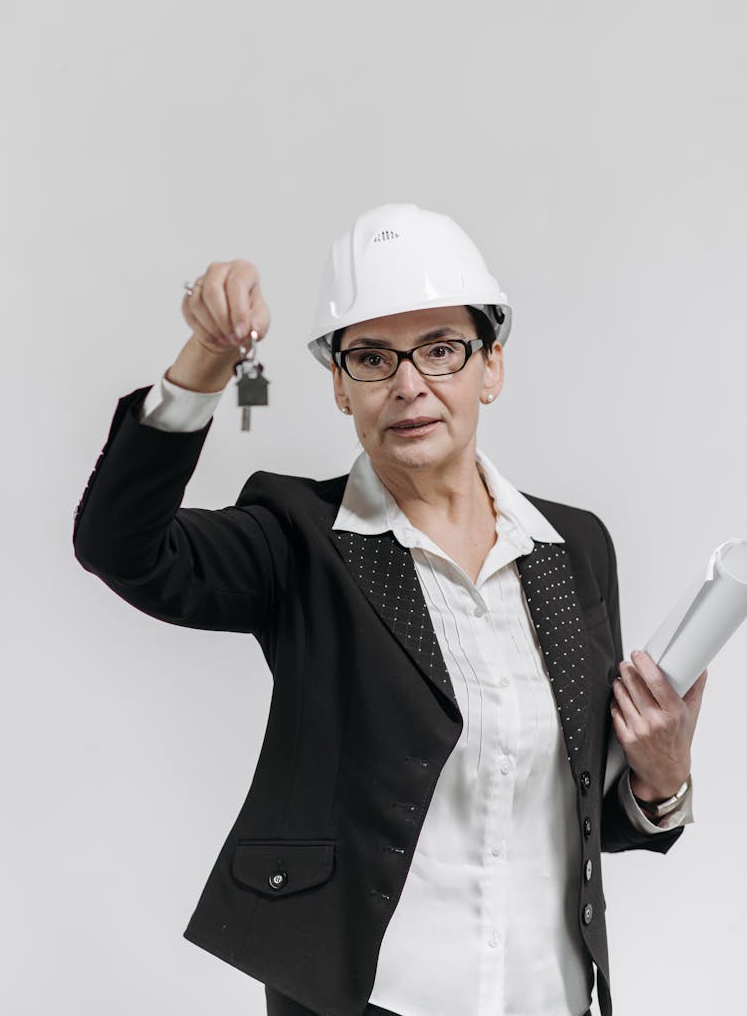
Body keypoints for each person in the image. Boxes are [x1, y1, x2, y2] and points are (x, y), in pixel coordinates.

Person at [73, 202, 706, 1016]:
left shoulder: (573, 549)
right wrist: (207, 359)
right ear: (340, 386)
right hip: (371, 1000)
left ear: (492, 367)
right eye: (372, 357)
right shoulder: (297, 538)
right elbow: (120, 547)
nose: (409, 384)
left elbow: (580, 819)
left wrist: (662, 781)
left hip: (550, 997)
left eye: (442, 350)